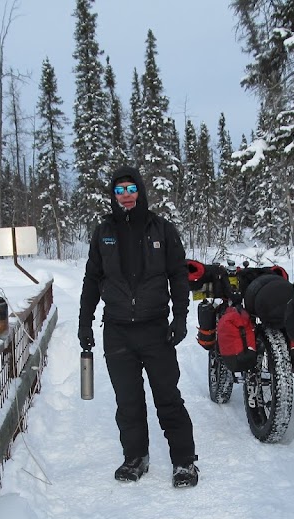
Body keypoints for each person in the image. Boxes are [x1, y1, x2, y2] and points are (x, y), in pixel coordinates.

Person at [78, 166, 199, 488]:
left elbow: (178, 275)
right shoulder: (103, 232)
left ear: (141, 191)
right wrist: (84, 322)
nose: (126, 195)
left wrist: (181, 317)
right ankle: (136, 457)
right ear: (113, 196)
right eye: (119, 191)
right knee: (127, 401)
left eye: (130, 189)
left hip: (155, 329)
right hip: (116, 330)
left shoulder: (162, 230)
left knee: (168, 398)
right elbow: (92, 278)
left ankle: (185, 462)